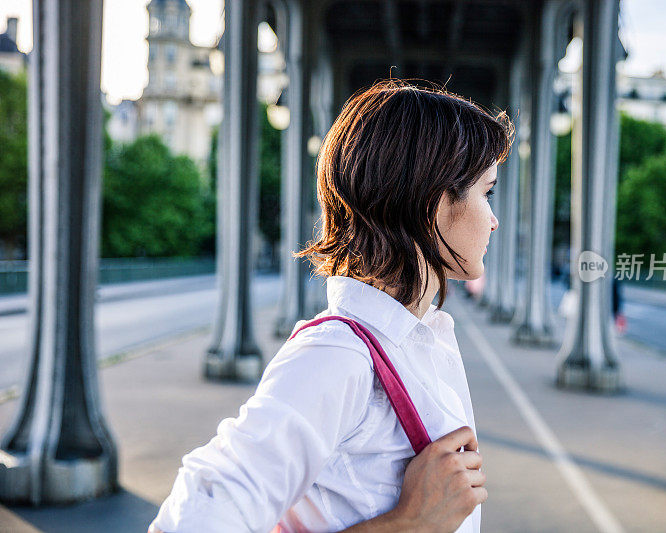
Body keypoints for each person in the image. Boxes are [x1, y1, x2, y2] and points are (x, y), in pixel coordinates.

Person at [148, 78, 513, 533]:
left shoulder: (417, 339)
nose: (494, 220)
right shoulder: (337, 355)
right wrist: (407, 523)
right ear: (433, 203)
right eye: (487, 192)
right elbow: (189, 523)